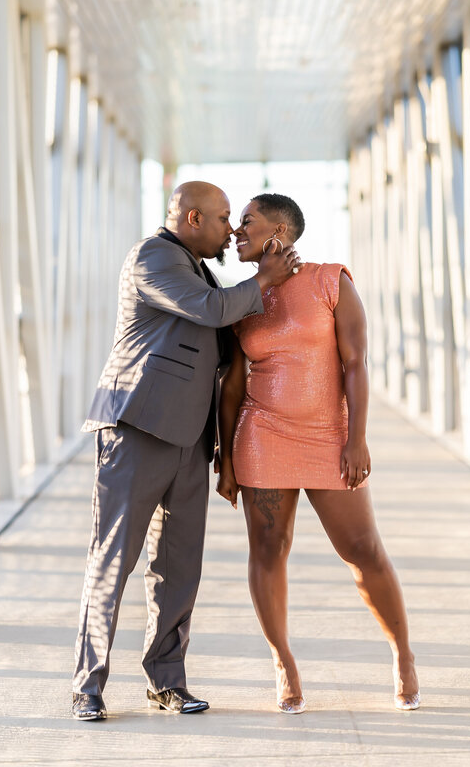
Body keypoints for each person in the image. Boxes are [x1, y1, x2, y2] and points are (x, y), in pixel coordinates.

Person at [71, 181, 301, 721]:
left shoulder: (201, 268)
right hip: (136, 430)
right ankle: (88, 686)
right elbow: (207, 309)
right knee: (113, 562)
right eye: (225, 219)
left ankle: (166, 682)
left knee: (179, 570)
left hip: (190, 444)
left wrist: (221, 448)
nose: (231, 230)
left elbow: (220, 360)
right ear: (193, 218)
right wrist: (264, 278)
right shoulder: (153, 257)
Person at [215, 193, 420, 714]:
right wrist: (228, 458)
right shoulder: (241, 297)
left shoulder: (332, 281)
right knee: (267, 549)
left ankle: (402, 654)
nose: (236, 231)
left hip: (330, 436)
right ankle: (282, 661)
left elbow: (356, 364)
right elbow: (232, 387)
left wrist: (356, 438)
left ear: (279, 231)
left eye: (247, 222)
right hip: (262, 436)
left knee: (363, 550)